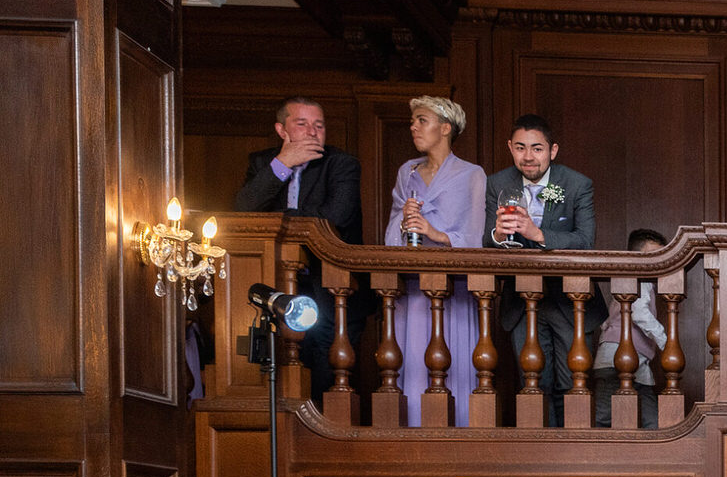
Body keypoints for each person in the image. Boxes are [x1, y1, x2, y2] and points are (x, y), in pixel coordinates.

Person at [233, 96, 364, 402]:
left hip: (329, 285)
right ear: (282, 130)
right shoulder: (262, 163)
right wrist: (283, 165)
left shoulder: (342, 164)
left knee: (324, 364)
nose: (312, 131)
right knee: (274, 360)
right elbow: (243, 210)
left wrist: (281, 220)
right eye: (302, 123)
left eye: (319, 125)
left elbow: (336, 217)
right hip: (274, 284)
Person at [483, 114, 606, 426]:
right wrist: (498, 234)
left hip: (570, 302)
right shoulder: (498, 183)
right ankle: (542, 454)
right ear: (510, 148)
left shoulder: (577, 184)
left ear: (553, 150)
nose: (528, 156)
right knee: (534, 383)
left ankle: (572, 452)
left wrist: (536, 233)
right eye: (521, 148)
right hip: (521, 301)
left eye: (537, 149)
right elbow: (488, 240)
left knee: (571, 384)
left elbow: (585, 241)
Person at [384, 95, 484, 426]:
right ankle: (411, 428)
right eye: (413, 120)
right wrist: (404, 222)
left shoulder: (472, 175)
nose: (413, 126)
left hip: (452, 285)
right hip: (412, 284)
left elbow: (476, 238)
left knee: (450, 355)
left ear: (445, 128)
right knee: (411, 357)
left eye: (422, 120)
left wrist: (436, 233)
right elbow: (391, 235)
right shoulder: (407, 171)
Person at [590, 228, 670, 429]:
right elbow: (639, 312)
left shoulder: (641, 282)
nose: (657, 262)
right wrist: (666, 342)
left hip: (636, 357)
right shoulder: (639, 278)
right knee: (606, 415)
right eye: (652, 255)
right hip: (615, 355)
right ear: (636, 256)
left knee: (647, 413)